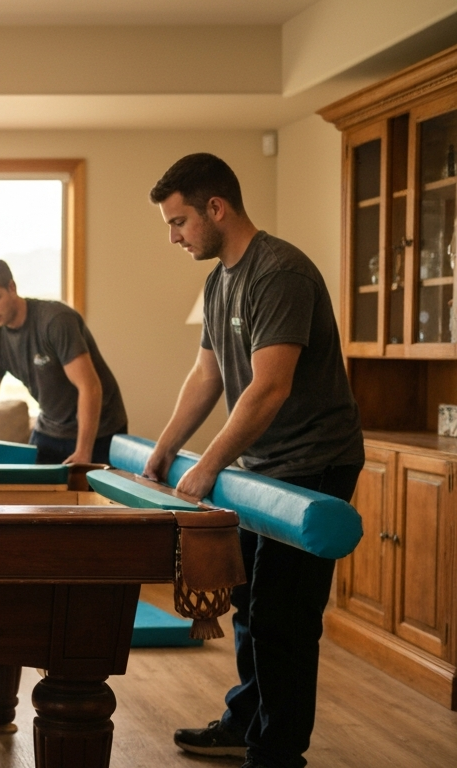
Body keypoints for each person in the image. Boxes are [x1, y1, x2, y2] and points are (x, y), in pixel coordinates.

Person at [143, 153, 364, 768]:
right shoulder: (219, 282)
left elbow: (270, 385)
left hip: (314, 463)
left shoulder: (280, 272)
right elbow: (206, 374)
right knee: (248, 605)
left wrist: (210, 465)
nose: (174, 236)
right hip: (263, 468)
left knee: (283, 617)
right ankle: (246, 722)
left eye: (180, 221)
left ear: (217, 208)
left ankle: (277, 751)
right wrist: (163, 449)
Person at [0, 257, 128, 465]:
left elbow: (89, 387)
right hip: (51, 429)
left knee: (87, 496)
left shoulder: (55, 321)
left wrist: (84, 453)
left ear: (11, 287)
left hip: (100, 431)